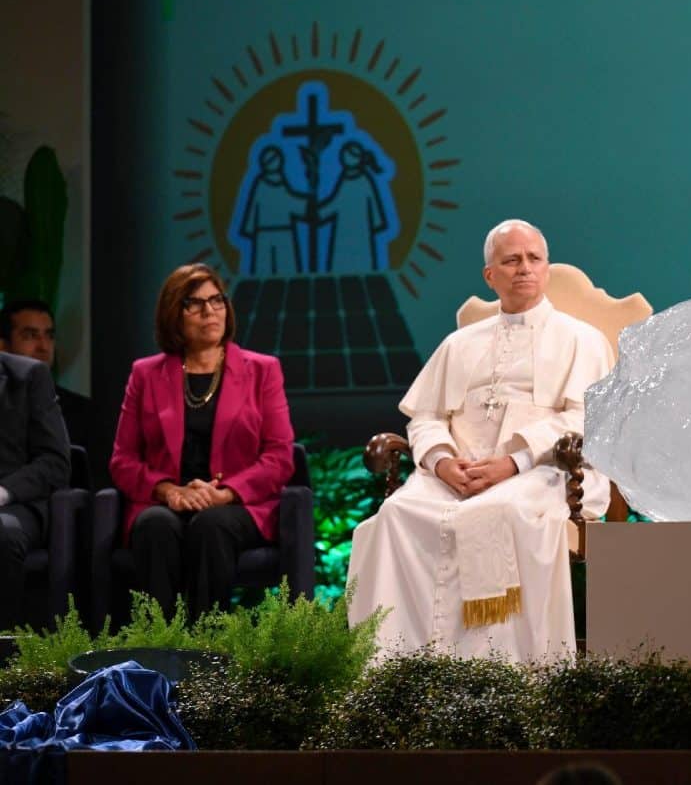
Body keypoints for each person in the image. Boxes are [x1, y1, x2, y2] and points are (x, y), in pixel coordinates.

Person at [346, 219, 614, 662]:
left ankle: (503, 668)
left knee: (500, 511)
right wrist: (441, 461)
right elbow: (426, 417)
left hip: (545, 471)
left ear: (547, 268)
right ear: (491, 276)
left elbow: (582, 416)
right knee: (396, 514)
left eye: (534, 259)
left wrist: (513, 463)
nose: (524, 268)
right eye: (511, 260)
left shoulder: (582, 339)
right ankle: (396, 664)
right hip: (459, 473)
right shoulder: (458, 344)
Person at [108, 263, 295, 619]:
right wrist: (167, 491)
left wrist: (224, 493)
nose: (210, 311)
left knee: (211, 525)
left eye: (217, 300)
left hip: (237, 505)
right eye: (194, 303)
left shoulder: (262, 370)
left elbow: (279, 456)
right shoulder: (145, 374)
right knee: (154, 526)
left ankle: (205, 650)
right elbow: (123, 459)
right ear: (173, 314)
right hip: (167, 502)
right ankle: (158, 646)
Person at [0, 351, 71, 629]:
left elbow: (55, 462)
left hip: (12, 503)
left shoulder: (28, 376)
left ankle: (4, 661)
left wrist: (4, 491)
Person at [0, 299, 92, 449]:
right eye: (30, 335)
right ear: (3, 346)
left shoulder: (81, 412)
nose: (43, 346)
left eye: (49, 336)